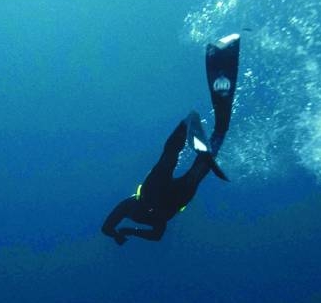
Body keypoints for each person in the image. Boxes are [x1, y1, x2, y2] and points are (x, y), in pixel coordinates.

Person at [101, 34, 239, 245]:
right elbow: (108, 229)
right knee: (170, 158)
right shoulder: (129, 207)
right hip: (161, 199)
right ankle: (188, 125)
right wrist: (121, 232)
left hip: (163, 201)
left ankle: (204, 129)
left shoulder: (130, 209)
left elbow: (115, 230)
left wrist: (125, 232)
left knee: (193, 167)